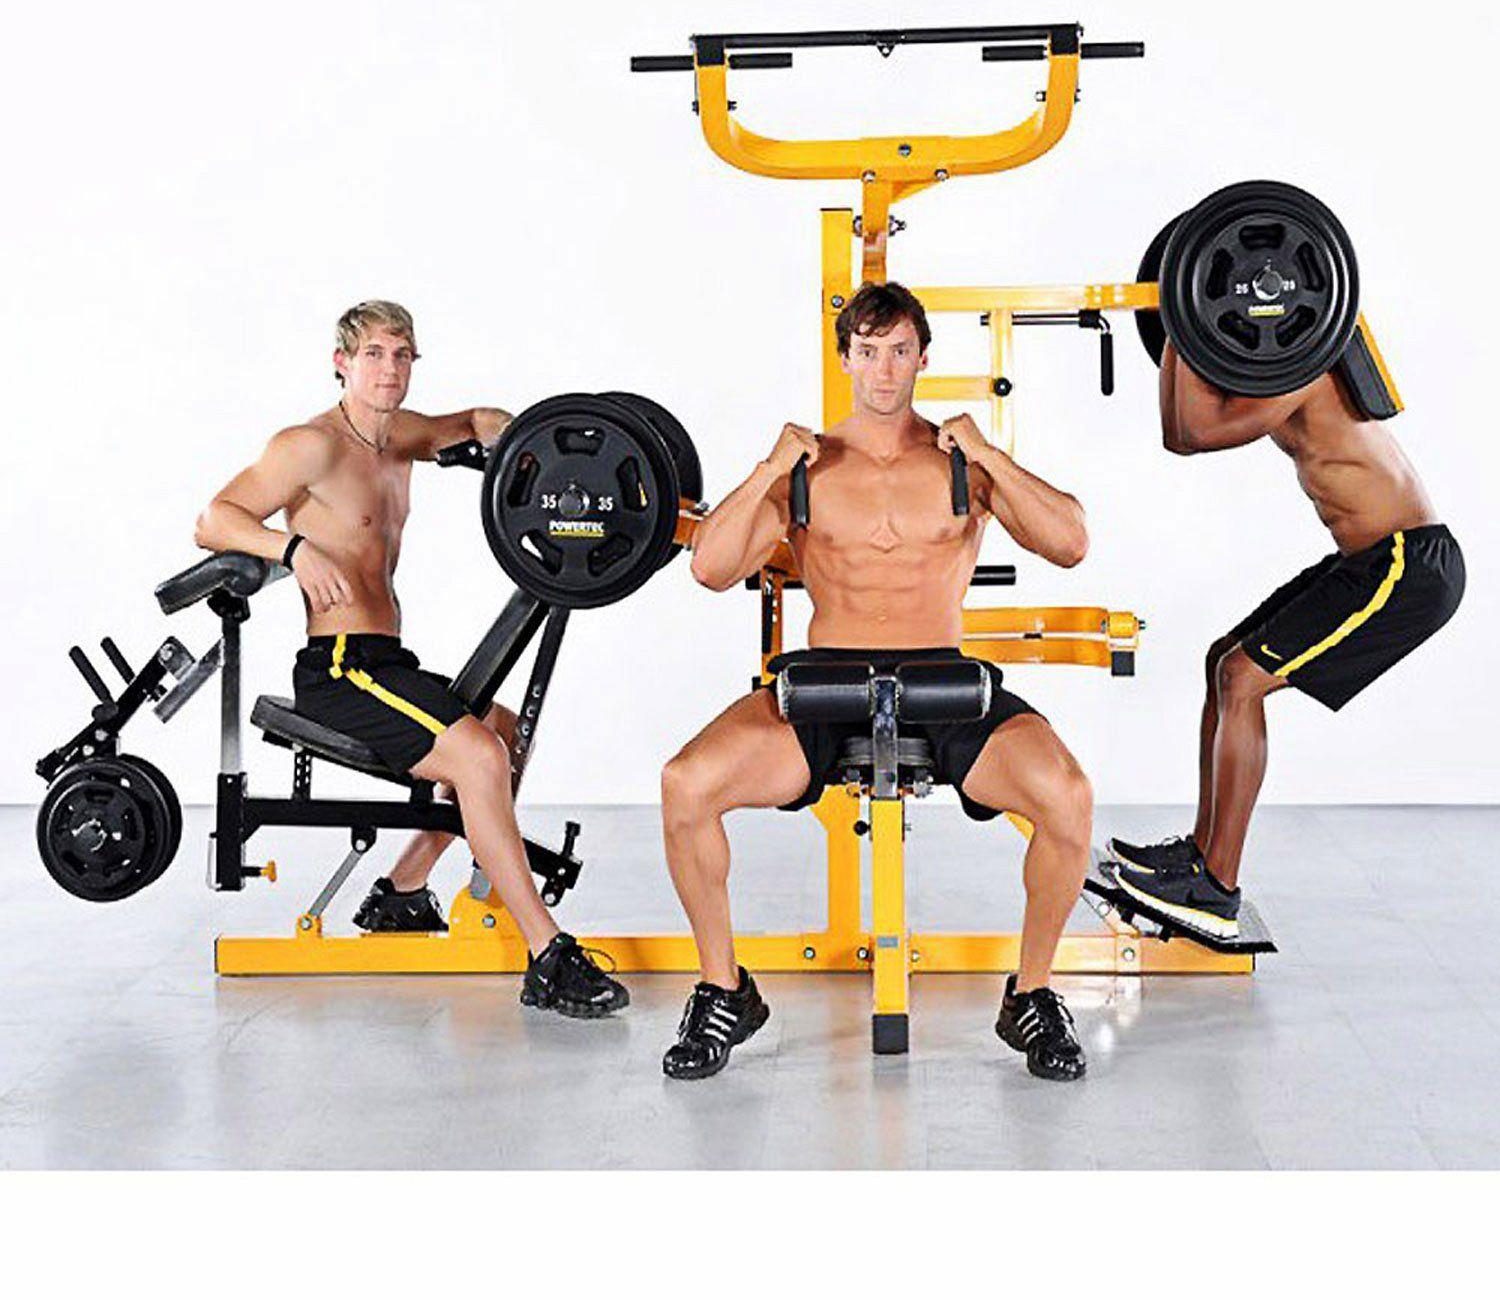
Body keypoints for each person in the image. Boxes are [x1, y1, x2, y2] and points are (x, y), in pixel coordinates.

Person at [659, 281, 1095, 1081]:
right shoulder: (807, 467)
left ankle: (1031, 993)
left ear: (923, 358)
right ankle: (724, 989)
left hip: (944, 680)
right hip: (828, 682)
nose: (884, 370)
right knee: (686, 784)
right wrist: (766, 468)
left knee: (1067, 795)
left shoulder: (962, 465)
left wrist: (991, 455)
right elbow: (710, 569)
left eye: (899, 351)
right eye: (868, 351)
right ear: (845, 359)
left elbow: (1070, 543)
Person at [193, 299, 627, 1017]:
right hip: (340, 669)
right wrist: (292, 550)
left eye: (402, 355)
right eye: (373, 354)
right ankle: (548, 953)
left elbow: (476, 421)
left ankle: (401, 890)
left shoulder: (398, 438)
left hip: (386, 661)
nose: (389, 369)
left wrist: (540, 448)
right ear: (342, 363)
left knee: (505, 732)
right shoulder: (311, 446)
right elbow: (213, 519)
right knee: (480, 757)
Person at [1109, 340, 1465, 938]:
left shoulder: (1304, 369)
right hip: (1366, 560)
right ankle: (1200, 854)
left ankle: (1215, 887)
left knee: (1242, 679)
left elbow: (1190, 434)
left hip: (1407, 567)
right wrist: (1179, 324)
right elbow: (1184, 420)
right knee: (1223, 660)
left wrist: (1180, 325)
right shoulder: (1279, 366)